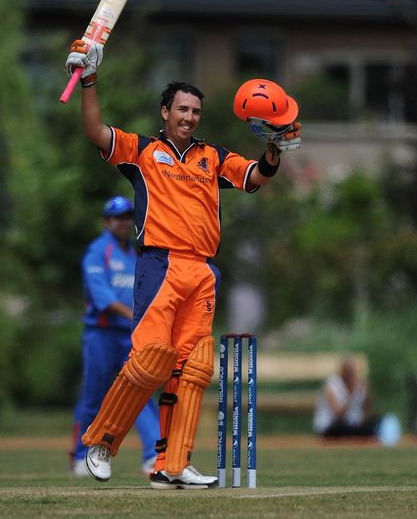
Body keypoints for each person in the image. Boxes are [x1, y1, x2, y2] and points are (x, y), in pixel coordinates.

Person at [64, 39, 302, 489]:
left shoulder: (212, 157)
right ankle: (101, 441)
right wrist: (88, 79)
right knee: (151, 360)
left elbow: (255, 178)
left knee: (194, 369)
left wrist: (273, 149)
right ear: (165, 112)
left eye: (195, 111)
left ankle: (172, 465)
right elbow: (96, 130)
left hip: (202, 271)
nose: (189, 117)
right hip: (159, 266)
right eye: (182, 110)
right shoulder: (142, 153)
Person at [70, 196, 159, 477]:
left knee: (140, 392)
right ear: (106, 222)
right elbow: (103, 298)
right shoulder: (97, 252)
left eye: (127, 217)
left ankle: (153, 456)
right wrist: (136, 315)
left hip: (130, 337)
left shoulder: (135, 254)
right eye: (117, 218)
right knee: (94, 395)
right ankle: (81, 456)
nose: (124, 222)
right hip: (101, 334)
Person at [313, 357, 379, 438]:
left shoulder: (360, 385)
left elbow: (367, 413)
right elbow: (338, 415)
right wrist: (351, 394)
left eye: (352, 371)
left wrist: (367, 394)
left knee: (374, 425)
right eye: (348, 371)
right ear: (341, 371)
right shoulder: (332, 385)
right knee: (342, 428)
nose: (350, 374)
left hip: (352, 425)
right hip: (330, 426)